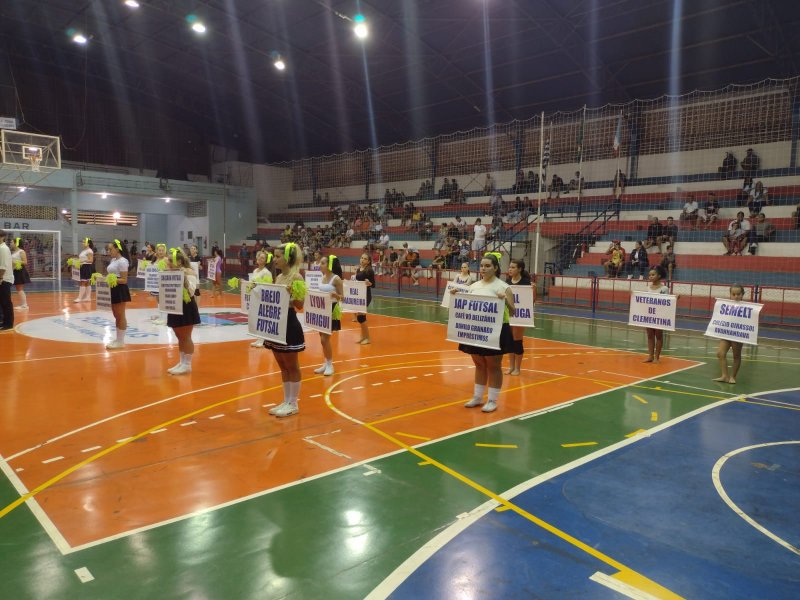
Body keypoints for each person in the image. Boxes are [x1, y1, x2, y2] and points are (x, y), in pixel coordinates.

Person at [451, 253, 515, 412]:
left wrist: (505, 300)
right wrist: (455, 295)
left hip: (497, 330)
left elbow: (513, 312)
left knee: (493, 365)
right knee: (478, 363)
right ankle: (478, 397)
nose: (483, 269)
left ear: (495, 268)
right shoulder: (474, 286)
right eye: (481, 266)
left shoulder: (503, 287)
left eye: (487, 266)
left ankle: (492, 400)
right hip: (476, 330)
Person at [264, 243, 306, 418]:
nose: (275, 259)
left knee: (292, 365)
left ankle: (293, 403)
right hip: (277, 323)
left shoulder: (297, 278)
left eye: (278, 256)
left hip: (289, 323)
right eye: (274, 256)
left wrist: (292, 293)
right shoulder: (279, 277)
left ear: (287, 258)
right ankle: (286, 399)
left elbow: (300, 305)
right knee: (282, 365)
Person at [165, 248, 201, 374]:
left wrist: (183, 278)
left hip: (186, 306)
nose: (168, 263)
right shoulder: (171, 272)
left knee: (185, 336)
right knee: (179, 335)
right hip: (174, 305)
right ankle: (181, 362)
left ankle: (187, 364)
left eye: (170, 261)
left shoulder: (189, 272)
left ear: (179, 261)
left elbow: (191, 291)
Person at [314, 255, 343, 376]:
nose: (320, 265)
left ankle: (330, 364)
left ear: (329, 265)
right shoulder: (322, 277)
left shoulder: (336, 279)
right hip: (321, 309)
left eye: (323, 263)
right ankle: (325, 363)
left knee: (324, 339)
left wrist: (336, 296)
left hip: (331, 309)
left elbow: (342, 297)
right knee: (322, 340)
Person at [505, 259, 533, 376]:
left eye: (513, 267)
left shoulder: (526, 283)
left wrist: (533, 290)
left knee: (517, 341)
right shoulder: (507, 281)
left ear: (520, 269)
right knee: (510, 342)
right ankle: (511, 366)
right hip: (509, 315)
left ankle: (518, 368)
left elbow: (531, 300)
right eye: (509, 267)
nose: (510, 269)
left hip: (519, 316)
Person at [713, 284, 746, 384]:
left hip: (738, 334)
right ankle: (724, 376)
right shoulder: (726, 305)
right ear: (730, 294)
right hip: (726, 333)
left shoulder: (747, 307)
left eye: (738, 294)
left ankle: (733, 377)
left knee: (736, 356)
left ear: (742, 294)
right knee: (720, 353)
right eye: (734, 294)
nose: (736, 296)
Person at [105, 239, 132, 349]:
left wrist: (111, 279)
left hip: (120, 289)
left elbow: (124, 280)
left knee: (120, 315)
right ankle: (118, 339)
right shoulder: (113, 260)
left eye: (110, 249)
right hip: (113, 289)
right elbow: (112, 275)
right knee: (116, 315)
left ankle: (121, 341)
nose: (109, 251)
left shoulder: (123, 261)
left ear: (117, 249)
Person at [641, 265, 670, 364]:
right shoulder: (648, 288)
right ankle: (650, 356)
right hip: (649, 315)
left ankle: (657, 357)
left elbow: (668, 302)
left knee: (659, 335)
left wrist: (675, 299)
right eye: (649, 275)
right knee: (649, 335)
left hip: (659, 316)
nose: (650, 276)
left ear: (659, 275)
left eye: (653, 274)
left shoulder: (664, 288)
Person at [247, 250, 275, 347]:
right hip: (255, 298)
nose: (260, 259)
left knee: (263, 318)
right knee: (257, 318)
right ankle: (258, 338)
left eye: (262, 257)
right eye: (259, 257)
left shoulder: (267, 272)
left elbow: (268, 287)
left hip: (263, 298)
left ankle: (263, 340)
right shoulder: (255, 271)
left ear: (266, 260)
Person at [354, 252, 375, 344]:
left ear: (368, 261)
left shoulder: (369, 270)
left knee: (361, 317)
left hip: (366, 295)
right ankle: (363, 337)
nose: (362, 259)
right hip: (359, 295)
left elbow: (373, 284)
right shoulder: (359, 269)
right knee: (360, 317)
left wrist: (369, 283)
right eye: (361, 258)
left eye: (365, 258)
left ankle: (368, 338)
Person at [9, 237, 30, 309]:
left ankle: (24, 305)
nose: (10, 243)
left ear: (16, 243)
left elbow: (25, 262)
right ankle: (23, 304)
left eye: (12, 242)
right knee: (19, 289)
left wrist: (16, 262)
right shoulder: (14, 252)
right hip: (15, 271)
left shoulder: (21, 251)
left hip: (20, 271)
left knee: (20, 288)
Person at [74, 237, 96, 303]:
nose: (82, 243)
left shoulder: (89, 251)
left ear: (88, 243)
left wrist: (82, 261)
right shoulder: (83, 251)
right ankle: (88, 297)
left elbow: (91, 260)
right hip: (83, 267)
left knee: (83, 282)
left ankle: (80, 298)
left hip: (86, 267)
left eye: (84, 242)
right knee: (86, 283)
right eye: (82, 242)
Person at [0, 230, 14, 330]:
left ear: (2, 237)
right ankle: (4, 322)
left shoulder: (3, 249)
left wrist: (0, 278)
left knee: (6, 302)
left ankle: (8, 324)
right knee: (2, 302)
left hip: (4, 279)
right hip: (2, 278)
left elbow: (3, 266)